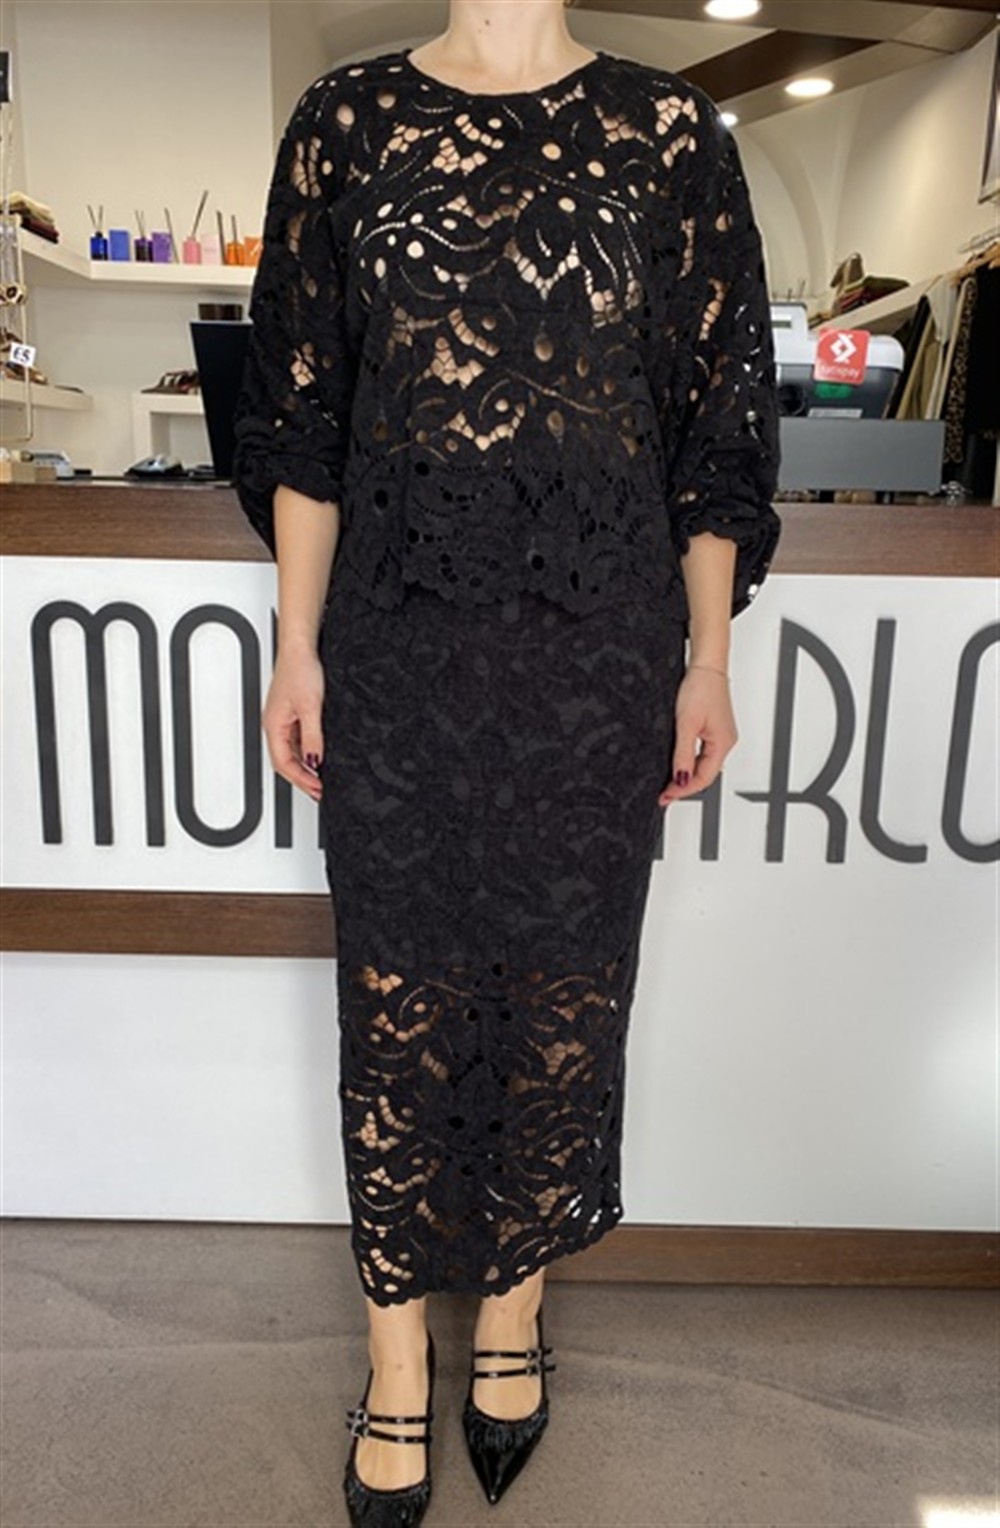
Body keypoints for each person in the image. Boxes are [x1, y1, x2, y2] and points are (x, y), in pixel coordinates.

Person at [231, 0, 782, 1522]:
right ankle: (396, 1357)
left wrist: (709, 657)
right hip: (398, 643)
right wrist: (295, 644)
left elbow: (715, 427)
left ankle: (514, 1315)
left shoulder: (671, 135)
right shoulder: (347, 123)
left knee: (560, 997)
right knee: (395, 1002)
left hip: (596, 658)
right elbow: (303, 417)